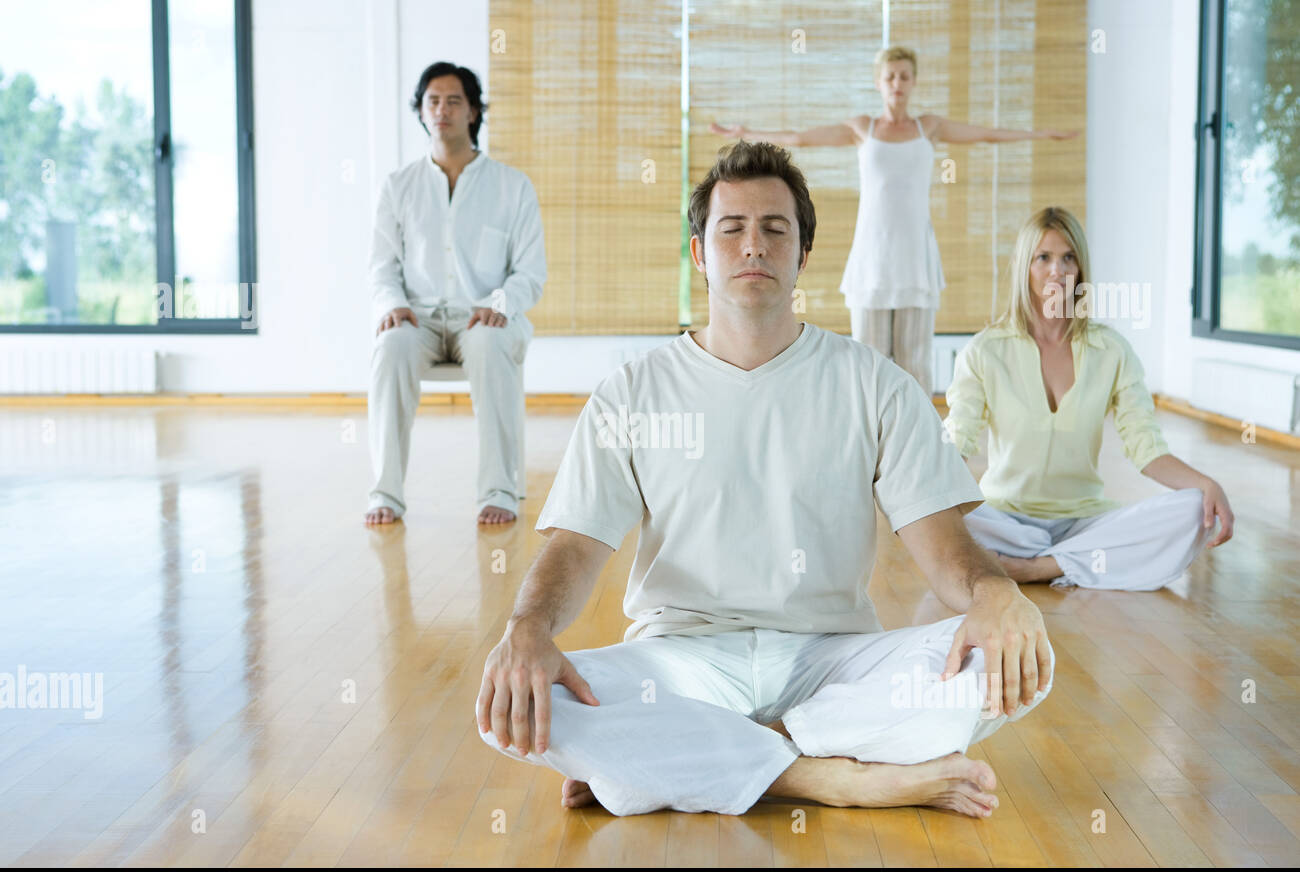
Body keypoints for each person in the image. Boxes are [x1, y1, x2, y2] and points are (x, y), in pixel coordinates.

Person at [473, 141, 1055, 819]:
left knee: (1014, 657)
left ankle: (672, 768)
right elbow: (574, 548)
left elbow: (945, 548)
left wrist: (997, 594)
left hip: (831, 657)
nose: (754, 245)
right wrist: (527, 627)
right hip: (682, 658)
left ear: (802, 254)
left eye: (776, 230)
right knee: (524, 698)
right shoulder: (631, 393)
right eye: (733, 228)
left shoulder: (874, 385)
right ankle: (825, 776)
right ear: (700, 252)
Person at [712, 45, 1077, 395]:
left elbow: (986, 134)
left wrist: (1040, 134)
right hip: (873, 256)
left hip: (915, 257)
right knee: (867, 360)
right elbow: (800, 139)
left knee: (914, 362)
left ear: (914, 81)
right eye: (890, 77)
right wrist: (745, 132)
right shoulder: (862, 128)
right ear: (879, 83)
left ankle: (919, 447)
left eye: (904, 77)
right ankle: (867, 445)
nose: (897, 84)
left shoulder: (928, 127)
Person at [943, 206, 1234, 590]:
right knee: (943, 512)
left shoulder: (1111, 350)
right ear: (1023, 267)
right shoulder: (984, 350)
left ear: (1081, 268)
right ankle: (1068, 561)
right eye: (1043, 258)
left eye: (1068, 258)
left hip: (1085, 522)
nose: (1056, 271)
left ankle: (1039, 566)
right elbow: (956, 441)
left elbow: (1146, 448)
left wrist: (1207, 484)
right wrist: (910, 488)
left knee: (1194, 509)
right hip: (1004, 520)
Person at [366, 62, 545, 527]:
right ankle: (385, 492)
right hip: (418, 318)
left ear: (473, 112)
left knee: (489, 342)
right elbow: (381, 266)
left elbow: (530, 272)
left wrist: (499, 303)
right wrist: (392, 305)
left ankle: (499, 491)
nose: (441, 109)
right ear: (421, 112)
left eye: (453, 101)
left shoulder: (512, 186)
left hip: (484, 318)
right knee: (389, 347)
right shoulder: (397, 186)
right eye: (432, 101)